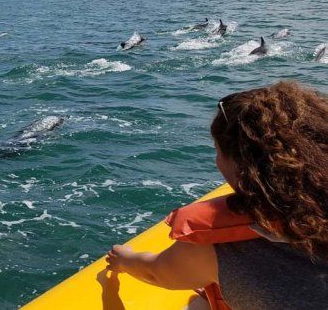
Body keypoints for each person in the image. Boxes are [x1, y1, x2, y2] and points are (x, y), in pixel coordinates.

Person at [105, 81, 328, 309]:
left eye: (217, 150)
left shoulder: (219, 248)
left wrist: (123, 259)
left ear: (240, 165)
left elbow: (156, 273)